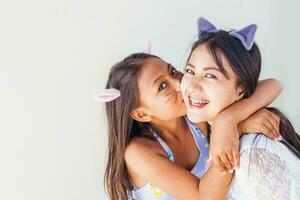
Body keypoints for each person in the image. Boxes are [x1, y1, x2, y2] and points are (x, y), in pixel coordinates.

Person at [96, 50, 282, 199]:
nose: (179, 83)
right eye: (162, 86)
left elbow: (273, 85)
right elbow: (204, 196)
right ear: (142, 114)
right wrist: (238, 129)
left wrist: (229, 120)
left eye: (173, 71)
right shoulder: (137, 153)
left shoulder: (194, 117)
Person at [181, 17, 300, 199]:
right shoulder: (210, 131)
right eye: (190, 71)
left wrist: (228, 120)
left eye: (211, 75)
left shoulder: (252, 155)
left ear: (240, 90)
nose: (193, 86)